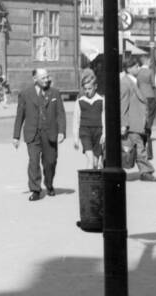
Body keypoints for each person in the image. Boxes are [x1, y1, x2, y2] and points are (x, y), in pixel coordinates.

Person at [12, 66, 67, 201]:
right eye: (43, 78)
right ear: (35, 79)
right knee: (34, 161)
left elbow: (61, 114)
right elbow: (20, 115)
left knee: (50, 162)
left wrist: (61, 132)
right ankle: (35, 189)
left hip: (50, 133)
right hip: (32, 133)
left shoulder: (54, 93)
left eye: (47, 77)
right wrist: (16, 136)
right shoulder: (25, 94)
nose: (46, 80)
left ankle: (49, 184)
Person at [119, 57, 156, 180]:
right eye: (136, 66)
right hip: (132, 122)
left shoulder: (133, 81)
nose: (138, 68)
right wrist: (124, 124)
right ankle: (146, 172)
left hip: (137, 122)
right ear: (129, 69)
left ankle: (145, 171)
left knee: (134, 148)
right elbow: (123, 104)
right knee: (139, 147)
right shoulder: (125, 83)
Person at [74, 70, 104, 171]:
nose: (87, 91)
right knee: (90, 160)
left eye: (90, 88)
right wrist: (75, 138)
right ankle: (87, 184)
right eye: (85, 89)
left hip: (98, 133)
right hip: (85, 131)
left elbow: (104, 117)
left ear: (95, 87)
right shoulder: (80, 101)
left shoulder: (101, 100)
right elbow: (76, 121)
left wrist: (104, 134)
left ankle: (95, 182)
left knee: (95, 162)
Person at [134, 52, 156, 156]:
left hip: (141, 96)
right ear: (148, 61)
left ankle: (143, 134)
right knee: (150, 118)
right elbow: (154, 84)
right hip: (150, 96)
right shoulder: (150, 72)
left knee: (143, 118)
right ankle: (148, 133)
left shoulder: (137, 72)